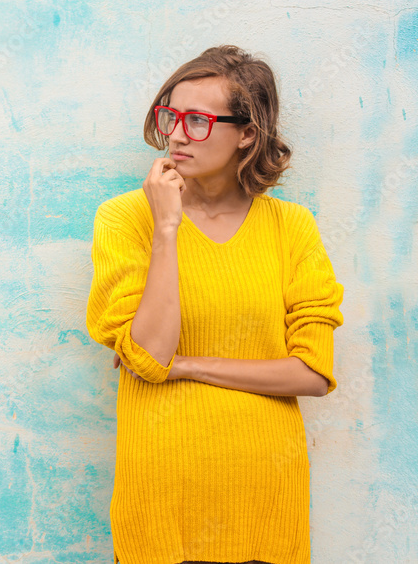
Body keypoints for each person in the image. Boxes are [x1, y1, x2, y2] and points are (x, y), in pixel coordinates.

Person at [85, 45, 345, 564]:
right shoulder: (124, 220)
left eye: (198, 120)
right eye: (170, 116)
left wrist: (184, 366)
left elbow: (313, 373)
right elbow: (149, 351)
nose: (177, 134)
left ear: (247, 133)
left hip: (264, 500)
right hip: (162, 504)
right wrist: (166, 227)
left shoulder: (291, 229)